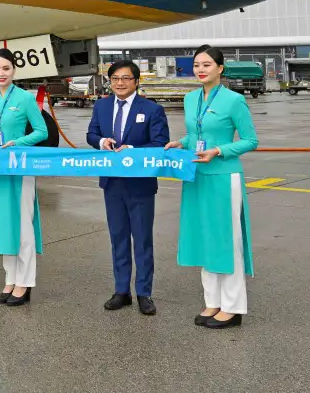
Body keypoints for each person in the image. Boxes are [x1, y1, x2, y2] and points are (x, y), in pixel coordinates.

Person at [165, 44, 259, 329]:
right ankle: (212, 302)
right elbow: (197, 133)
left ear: (220, 69)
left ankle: (232, 307)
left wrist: (218, 151)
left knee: (226, 241)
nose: (200, 70)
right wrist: (181, 142)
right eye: (196, 65)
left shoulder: (234, 100)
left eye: (206, 65)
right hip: (196, 175)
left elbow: (250, 140)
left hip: (223, 176)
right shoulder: (190, 98)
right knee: (204, 238)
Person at [86, 59, 170, 315]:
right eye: (115, 79)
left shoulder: (152, 109)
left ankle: (144, 292)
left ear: (136, 81)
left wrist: (132, 151)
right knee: (118, 238)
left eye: (125, 79)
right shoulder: (101, 106)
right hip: (112, 183)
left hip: (140, 185)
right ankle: (121, 290)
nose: (120, 83)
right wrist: (102, 142)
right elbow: (91, 134)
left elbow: (160, 143)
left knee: (142, 240)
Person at [0, 49, 49, 306]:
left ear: (14, 70)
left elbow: (41, 131)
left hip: (20, 167)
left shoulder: (25, 98)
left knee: (24, 227)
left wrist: (18, 142)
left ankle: (25, 282)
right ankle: (10, 278)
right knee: (5, 225)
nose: (1, 73)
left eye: (6, 68)